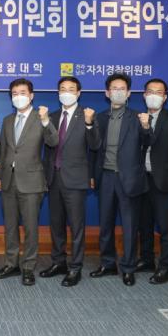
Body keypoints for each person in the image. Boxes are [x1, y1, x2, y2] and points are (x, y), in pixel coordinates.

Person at [91, 73, 154, 287]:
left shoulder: (138, 117)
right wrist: (93, 176)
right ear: (107, 93)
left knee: (129, 226)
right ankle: (108, 264)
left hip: (129, 179)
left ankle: (128, 268)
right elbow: (94, 149)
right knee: (105, 224)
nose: (118, 92)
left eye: (122, 89)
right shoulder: (100, 118)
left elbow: (148, 142)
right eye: (114, 88)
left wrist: (146, 127)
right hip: (106, 176)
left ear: (128, 93)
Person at [0, 78, 58, 286]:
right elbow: (4, 151)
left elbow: (53, 141)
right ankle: (11, 264)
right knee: (10, 226)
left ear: (31, 96)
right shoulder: (7, 120)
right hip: (8, 181)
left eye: (22, 93)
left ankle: (28, 267)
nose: (18, 97)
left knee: (30, 227)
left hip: (31, 181)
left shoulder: (41, 117)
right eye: (14, 94)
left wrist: (46, 121)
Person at [40, 76, 100, 287]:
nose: (66, 92)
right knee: (56, 224)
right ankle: (59, 262)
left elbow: (95, 145)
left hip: (75, 179)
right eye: (63, 89)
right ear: (58, 93)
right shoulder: (52, 116)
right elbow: (48, 147)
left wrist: (90, 124)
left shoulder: (88, 115)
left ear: (78, 93)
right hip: (54, 178)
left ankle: (75, 267)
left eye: (71, 89)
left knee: (76, 226)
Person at [136, 79, 168, 284]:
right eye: (150, 91)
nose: (154, 95)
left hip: (163, 180)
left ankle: (165, 267)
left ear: (165, 97)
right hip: (142, 179)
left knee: (165, 227)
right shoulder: (139, 117)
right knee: (144, 224)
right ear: (144, 95)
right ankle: (147, 259)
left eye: (159, 92)